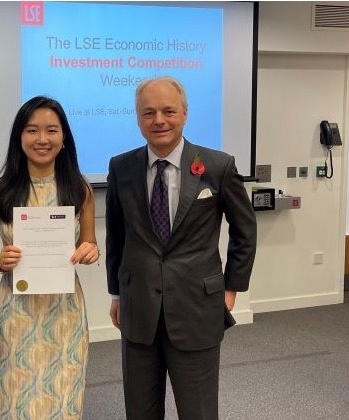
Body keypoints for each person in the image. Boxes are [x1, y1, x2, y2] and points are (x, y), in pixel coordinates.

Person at [106, 76, 257, 419]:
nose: (159, 120)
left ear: (184, 114)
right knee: (140, 411)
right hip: (138, 307)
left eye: (168, 111)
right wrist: (116, 293)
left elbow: (245, 230)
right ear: (138, 118)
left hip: (197, 308)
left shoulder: (217, 166)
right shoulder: (121, 167)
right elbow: (116, 235)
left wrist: (232, 287)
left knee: (198, 411)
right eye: (149, 113)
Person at [0, 96, 99, 419]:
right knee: (16, 402)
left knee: (64, 403)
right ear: (19, 136)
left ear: (64, 137)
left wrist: (90, 251)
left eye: (51, 130)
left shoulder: (79, 189)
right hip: (17, 315)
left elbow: (89, 243)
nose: (42, 139)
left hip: (65, 313)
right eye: (32, 130)